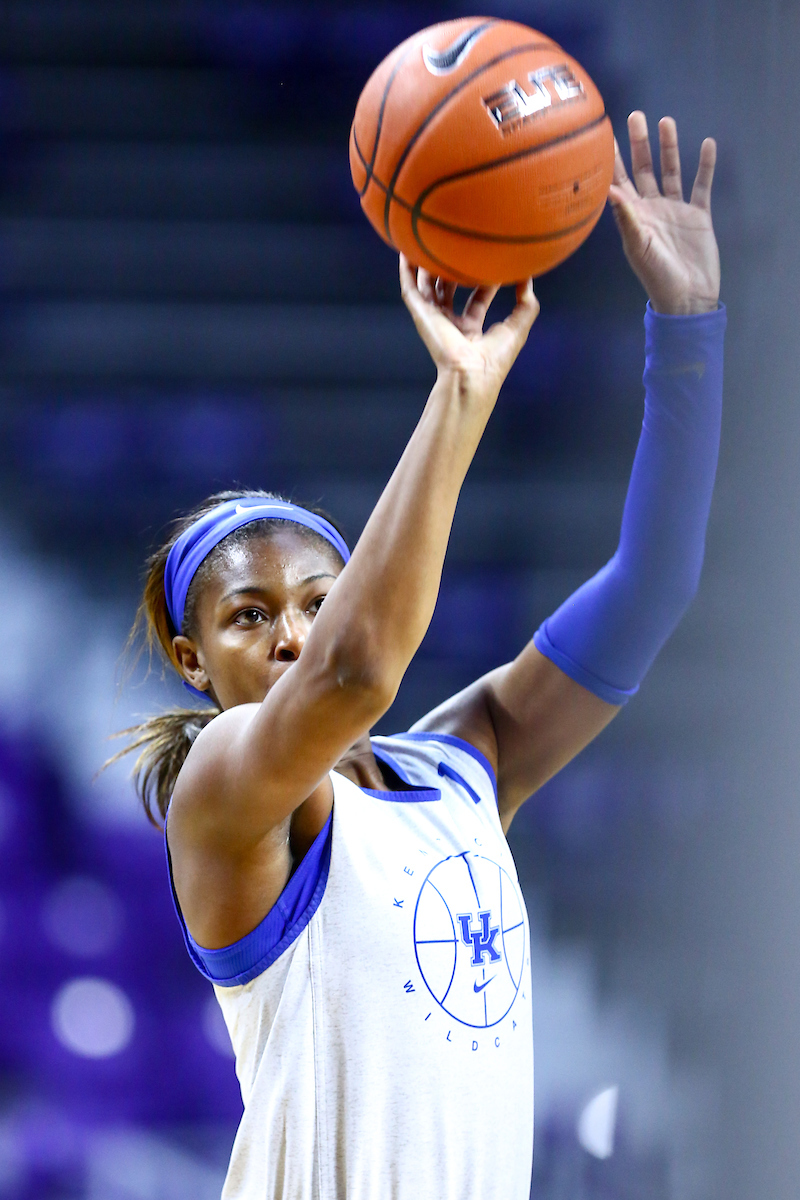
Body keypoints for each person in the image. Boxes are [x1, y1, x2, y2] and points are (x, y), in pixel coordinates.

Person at [117, 112, 724, 1199]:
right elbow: (352, 676)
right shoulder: (220, 792)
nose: (292, 631)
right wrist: (460, 391)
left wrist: (687, 331)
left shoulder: (461, 766)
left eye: (318, 598)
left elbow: (651, 586)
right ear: (190, 657)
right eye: (248, 617)